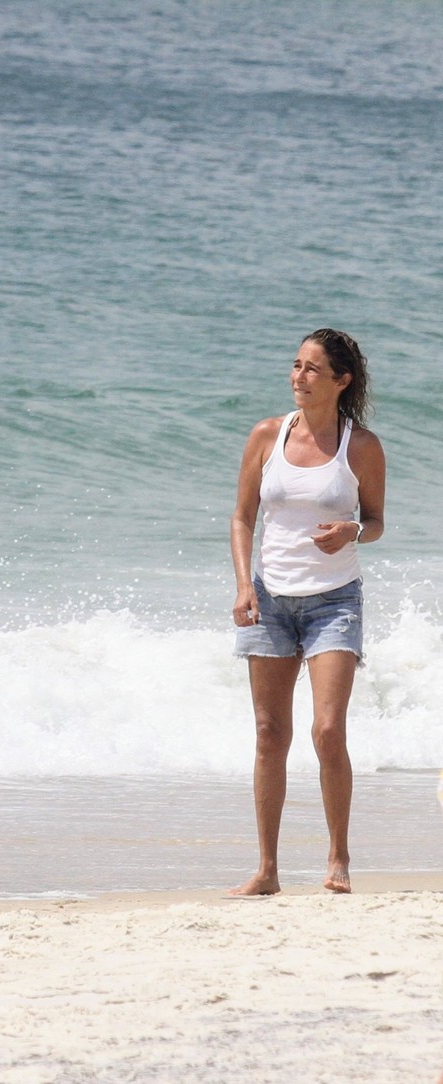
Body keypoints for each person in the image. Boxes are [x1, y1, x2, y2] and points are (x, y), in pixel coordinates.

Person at [229, 328, 385, 897]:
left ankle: (338, 858)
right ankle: (267, 870)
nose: (299, 376)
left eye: (312, 369)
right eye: (295, 365)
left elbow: (375, 521)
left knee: (326, 730)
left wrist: (353, 531)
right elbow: (242, 517)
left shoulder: (360, 446)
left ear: (341, 381)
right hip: (269, 600)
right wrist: (245, 585)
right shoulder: (267, 435)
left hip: (334, 602)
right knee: (270, 733)